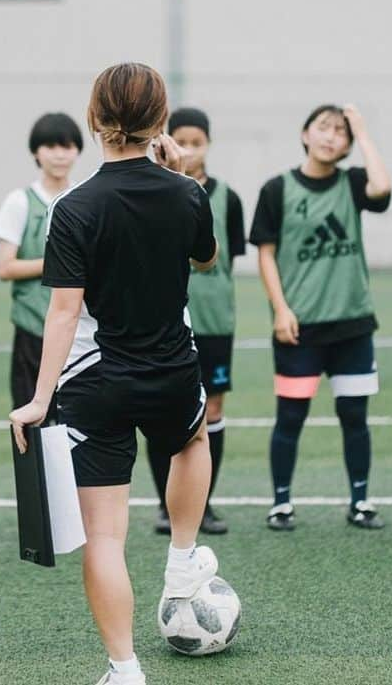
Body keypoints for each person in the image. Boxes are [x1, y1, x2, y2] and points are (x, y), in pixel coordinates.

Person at [10, 63, 220, 685]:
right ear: (161, 122)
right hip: (171, 369)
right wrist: (182, 176)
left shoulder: (72, 207)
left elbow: (64, 311)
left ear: (94, 120)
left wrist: (39, 398)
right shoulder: (190, 193)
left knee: (105, 537)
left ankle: (125, 669)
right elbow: (205, 258)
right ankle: (182, 559)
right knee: (191, 440)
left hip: (95, 379)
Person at [249, 104, 391, 531]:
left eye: (341, 133)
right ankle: (281, 504)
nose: (331, 137)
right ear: (305, 133)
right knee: (290, 418)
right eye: (323, 128)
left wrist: (365, 134)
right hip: (300, 327)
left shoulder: (353, 183)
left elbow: (382, 188)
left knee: (354, 417)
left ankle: (361, 501)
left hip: (352, 324)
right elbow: (266, 254)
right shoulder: (277, 189)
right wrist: (281, 309)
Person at [146, 107, 245, 536]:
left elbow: (222, 260)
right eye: (180, 139)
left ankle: (202, 505)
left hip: (214, 318)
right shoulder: (151, 192)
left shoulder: (228, 197)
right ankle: (166, 506)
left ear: (208, 144)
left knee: (213, 409)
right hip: (164, 318)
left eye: (197, 141)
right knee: (158, 409)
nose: (189, 148)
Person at [0, 113, 83, 420]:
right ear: (35, 152)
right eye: (51, 146)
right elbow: (5, 267)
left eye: (67, 146)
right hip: (33, 328)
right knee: (33, 424)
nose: (59, 154)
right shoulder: (20, 202)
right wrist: (56, 263)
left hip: (78, 331)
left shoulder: (84, 198)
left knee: (77, 423)